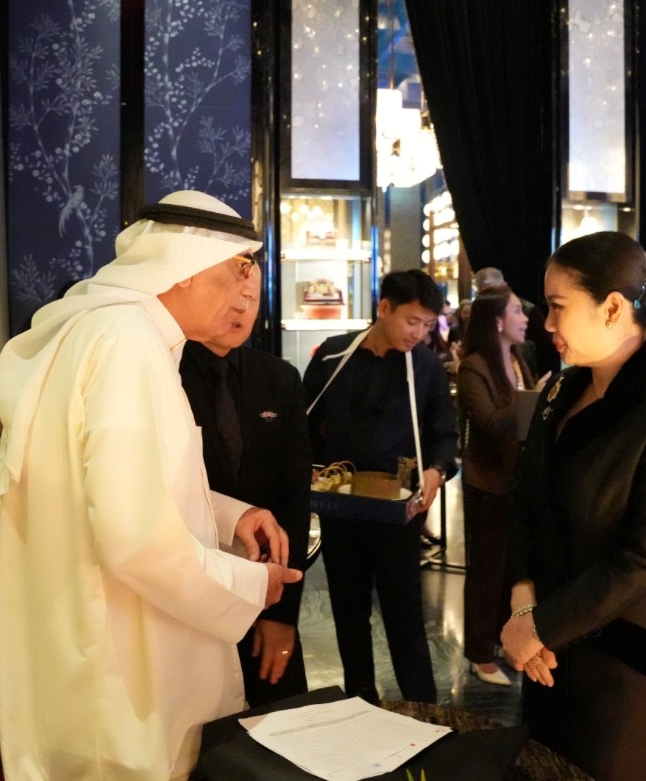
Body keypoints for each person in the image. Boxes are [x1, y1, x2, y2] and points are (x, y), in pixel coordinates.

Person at [0, 191, 303, 781]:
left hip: (85, 641)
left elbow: (109, 481)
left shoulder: (106, 331)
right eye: (236, 269)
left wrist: (229, 515)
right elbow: (133, 537)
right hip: (121, 660)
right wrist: (248, 584)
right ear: (180, 266)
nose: (246, 291)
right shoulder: (126, 343)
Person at [501, 232, 646, 780]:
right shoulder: (561, 391)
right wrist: (524, 607)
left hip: (621, 669)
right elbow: (526, 503)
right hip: (547, 653)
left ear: (613, 307)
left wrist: (541, 625)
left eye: (557, 306)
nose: (546, 323)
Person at [302, 269, 458, 705]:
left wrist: (437, 471)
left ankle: (422, 708)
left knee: (405, 617)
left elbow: (444, 435)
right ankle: (360, 701)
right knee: (348, 613)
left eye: (428, 325)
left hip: (398, 513)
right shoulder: (334, 355)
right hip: (341, 509)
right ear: (384, 308)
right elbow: (304, 420)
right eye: (412, 321)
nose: (419, 334)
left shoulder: (425, 366)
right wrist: (309, 470)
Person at [178, 284, 313, 707]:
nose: (241, 308)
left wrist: (282, 614)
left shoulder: (278, 377)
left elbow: (294, 499)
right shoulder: (163, 374)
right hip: (188, 589)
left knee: (281, 719)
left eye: (251, 299)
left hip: (265, 590)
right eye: (229, 295)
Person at [456, 286, 542, 687]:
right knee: (487, 570)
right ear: (496, 320)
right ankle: (479, 653)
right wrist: (529, 402)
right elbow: (488, 423)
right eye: (517, 311)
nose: (525, 319)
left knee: (514, 568)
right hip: (487, 481)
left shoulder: (518, 358)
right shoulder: (474, 366)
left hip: (517, 480)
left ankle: (504, 641)